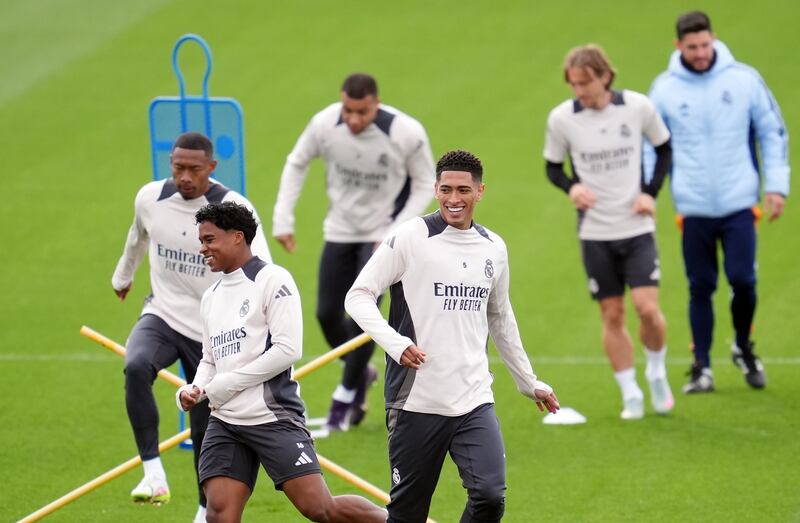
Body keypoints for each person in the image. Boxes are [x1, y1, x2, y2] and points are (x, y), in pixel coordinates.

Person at [345, 150, 560, 523]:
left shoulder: (493, 247)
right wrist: (397, 345)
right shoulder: (411, 236)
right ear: (435, 189)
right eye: (445, 189)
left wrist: (529, 382)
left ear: (480, 191)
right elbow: (358, 296)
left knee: (490, 498)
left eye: (463, 190)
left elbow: (500, 316)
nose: (453, 199)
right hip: (416, 403)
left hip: (473, 400)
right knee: (407, 514)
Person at [177, 201, 387, 523]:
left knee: (320, 509)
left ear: (237, 237)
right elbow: (210, 359)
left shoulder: (274, 280)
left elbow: (288, 350)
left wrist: (227, 383)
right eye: (201, 240)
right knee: (218, 514)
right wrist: (194, 387)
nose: (202, 248)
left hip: (272, 416)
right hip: (225, 422)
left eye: (209, 240)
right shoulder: (211, 296)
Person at [111, 132, 271, 522]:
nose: (185, 176)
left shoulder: (233, 208)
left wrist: (260, 324)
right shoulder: (150, 198)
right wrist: (123, 276)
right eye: (178, 167)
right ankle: (153, 474)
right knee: (135, 366)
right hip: (163, 314)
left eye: (194, 169)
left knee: (205, 427)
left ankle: (204, 510)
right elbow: (137, 237)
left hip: (213, 333)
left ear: (211, 168)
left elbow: (262, 267)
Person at [272, 72, 435, 431]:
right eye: (348, 110)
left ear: (376, 103)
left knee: (362, 313)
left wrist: (395, 232)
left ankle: (347, 395)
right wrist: (283, 217)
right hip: (340, 229)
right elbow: (297, 162)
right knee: (326, 313)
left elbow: (426, 181)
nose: (354, 119)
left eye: (362, 111)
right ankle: (362, 371)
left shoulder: (405, 133)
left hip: (381, 233)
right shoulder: (324, 124)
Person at [646, 11, 790, 393]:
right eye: (692, 47)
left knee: (744, 279)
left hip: (740, 201)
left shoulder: (743, 80)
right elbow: (652, 146)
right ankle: (702, 366)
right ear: (679, 46)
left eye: (705, 44)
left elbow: (772, 132)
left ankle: (743, 347)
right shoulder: (664, 90)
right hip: (692, 206)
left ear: (714, 39)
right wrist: (646, 192)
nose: (700, 53)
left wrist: (776, 186)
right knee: (701, 285)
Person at [543, 45, 675, 420]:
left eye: (585, 83)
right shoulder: (562, 119)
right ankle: (630, 391)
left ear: (605, 76)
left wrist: (650, 192)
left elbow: (664, 149)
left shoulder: (637, 107)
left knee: (647, 308)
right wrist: (572, 187)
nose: (579, 91)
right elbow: (552, 167)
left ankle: (656, 371)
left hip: (636, 226)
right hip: (595, 232)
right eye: (573, 84)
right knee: (612, 314)